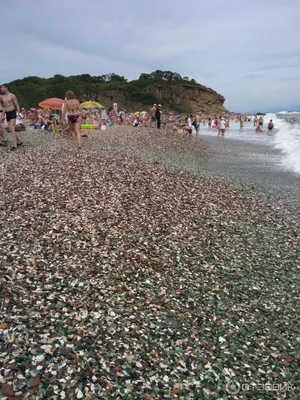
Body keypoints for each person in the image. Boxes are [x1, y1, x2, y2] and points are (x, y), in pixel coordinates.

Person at [0, 84, 22, 150]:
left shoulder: (12, 95)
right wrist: (3, 116)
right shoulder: (2, 97)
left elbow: (17, 105)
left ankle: (15, 145)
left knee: (12, 128)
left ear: (6, 88)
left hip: (12, 112)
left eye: (2, 88)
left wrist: (18, 115)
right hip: (7, 113)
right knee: (10, 129)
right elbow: (3, 107)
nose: (1, 89)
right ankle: (19, 141)